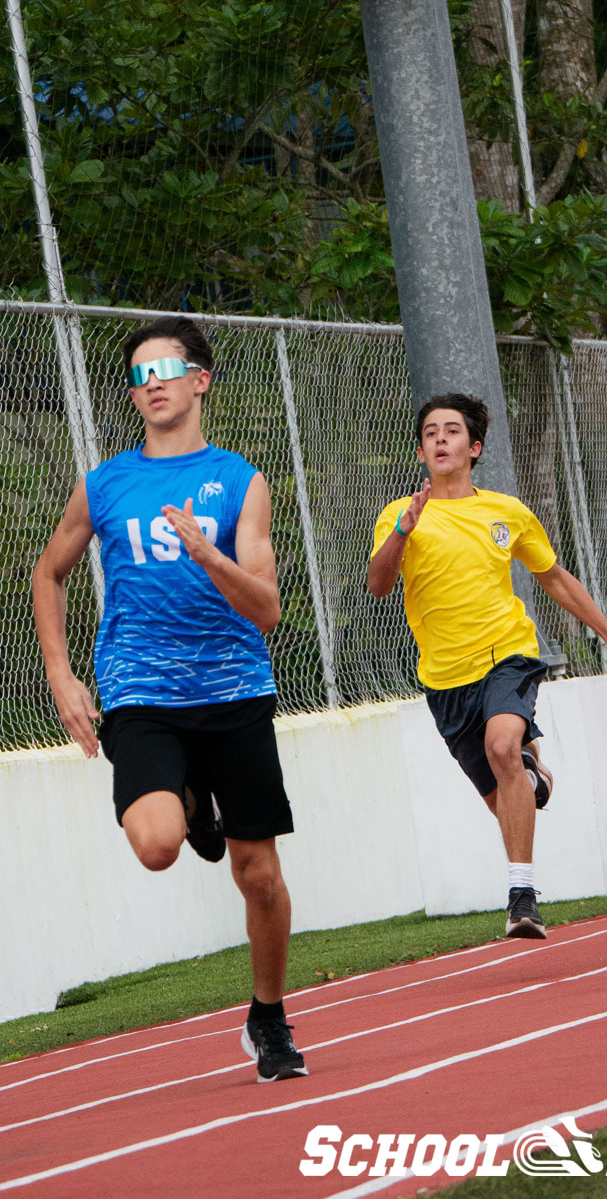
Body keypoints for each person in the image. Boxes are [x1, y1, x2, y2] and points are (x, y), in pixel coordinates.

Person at [32, 316, 307, 1083]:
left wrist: (210, 554)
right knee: (155, 844)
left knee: (257, 874)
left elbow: (268, 609)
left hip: (234, 688)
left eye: (168, 366)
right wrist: (60, 672)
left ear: (200, 380)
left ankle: (270, 1016)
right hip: (140, 689)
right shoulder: (106, 482)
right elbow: (48, 572)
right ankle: (186, 800)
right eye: (141, 373)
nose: (153, 381)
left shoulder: (240, 479)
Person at [367, 393, 607, 939]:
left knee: (501, 746)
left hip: (508, 652)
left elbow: (554, 577)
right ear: (422, 449)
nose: (440, 439)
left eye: (451, 431)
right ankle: (531, 771)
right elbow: (378, 586)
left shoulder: (507, 512)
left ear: (473, 448)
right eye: (430, 432)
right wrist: (404, 528)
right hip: (445, 680)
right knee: (506, 796)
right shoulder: (399, 515)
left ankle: (522, 897)